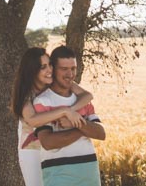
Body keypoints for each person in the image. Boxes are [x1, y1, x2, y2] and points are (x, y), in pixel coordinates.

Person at [11, 47, 94, 186]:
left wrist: (71, 110)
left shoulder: (54, 85)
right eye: (43, 67)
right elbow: (32, 120)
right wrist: (64, 111)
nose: (49, 70)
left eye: (49, 64)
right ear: (33, 70)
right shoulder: (27, 94)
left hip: (53, 148)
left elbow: (87, 96)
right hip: (32, 150)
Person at [33, 45, 106, 186]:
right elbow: (48, 142)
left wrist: (75, 122)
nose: (70, 74)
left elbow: (100, 133)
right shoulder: (43, 101)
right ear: (53, 69)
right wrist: (83, 128)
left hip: (89, 171)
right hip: (58, 173)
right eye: (64, 69)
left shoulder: (82, 100)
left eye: (73, 68)